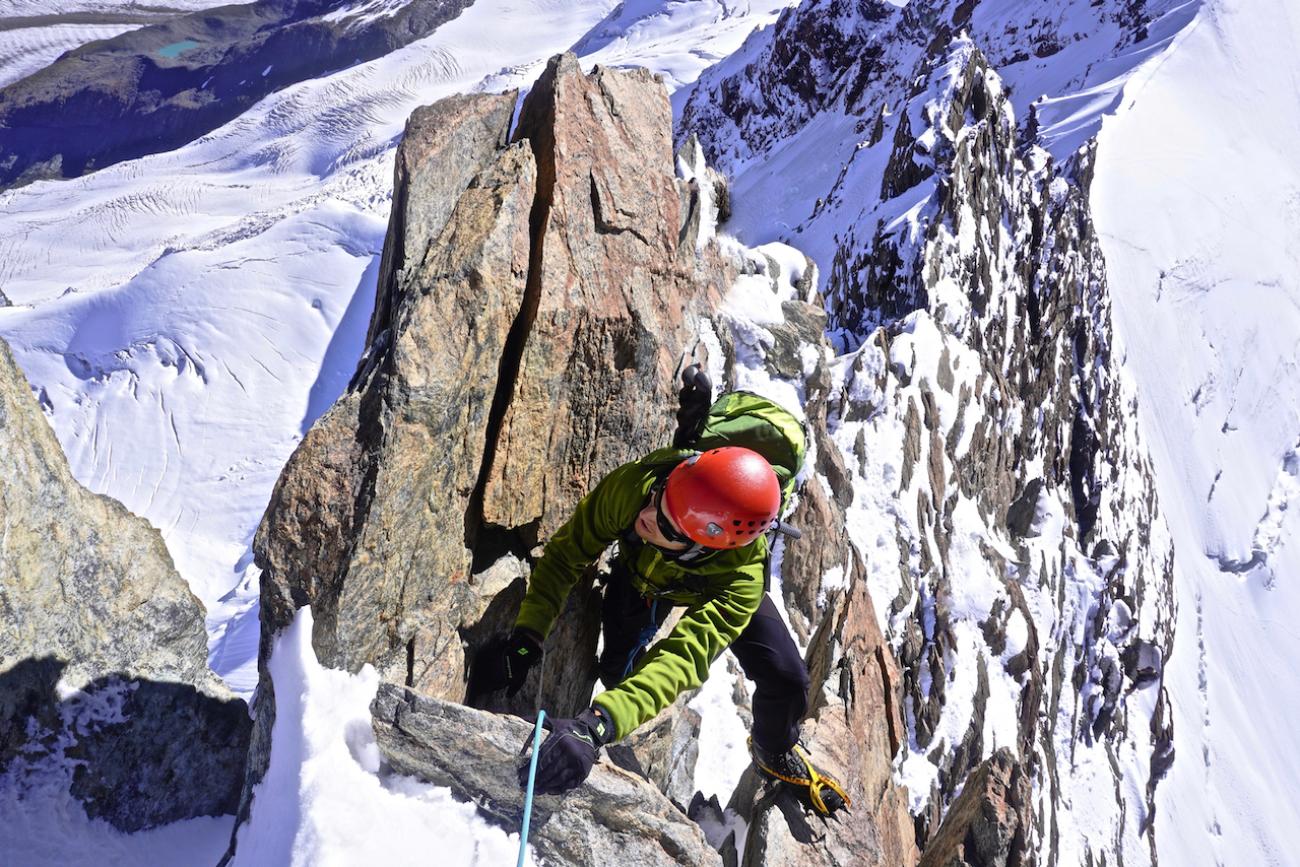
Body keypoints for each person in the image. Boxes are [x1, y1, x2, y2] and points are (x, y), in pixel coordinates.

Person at [471, 440, 850, 814]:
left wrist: (596, 726)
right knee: (618, 670)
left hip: (705, 585)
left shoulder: (740, 580)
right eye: (661, 499)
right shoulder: (641, 485)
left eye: (665, 524)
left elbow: (683, 659)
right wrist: (528, 635)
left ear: (702, 548)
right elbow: (566, 555)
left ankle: (774, 748)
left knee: (787, 676)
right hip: (640, 578)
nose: (647, 515)